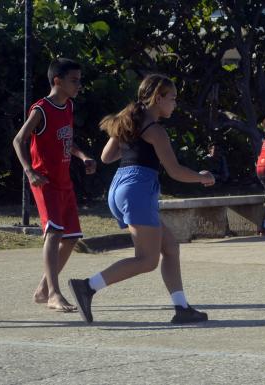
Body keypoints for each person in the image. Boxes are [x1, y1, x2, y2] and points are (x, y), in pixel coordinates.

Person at [68, 74, 215, 324]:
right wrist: (202, 177)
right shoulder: (155, 131)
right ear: (158, 98)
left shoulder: (129, 121)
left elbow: (106, 157)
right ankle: (87, 287)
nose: (175, 104)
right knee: (146, 260)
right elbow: (175, 171)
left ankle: (182, 308)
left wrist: (129, 143)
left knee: (169, 247)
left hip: (119, 188)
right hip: (138, 190)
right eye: (172, 99)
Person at [12, 58, 96, 312]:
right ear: (57, 80)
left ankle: (43, 289)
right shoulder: (41, 109)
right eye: (74, 80)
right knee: (55, 233)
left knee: (70, 238)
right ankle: (54, 294)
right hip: (45, 181)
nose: (79, 84)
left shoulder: (68, 106)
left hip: (64, 182)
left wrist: (83, 157)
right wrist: (29, 171)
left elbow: (67, 140)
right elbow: (18, 140)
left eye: (79, 80)